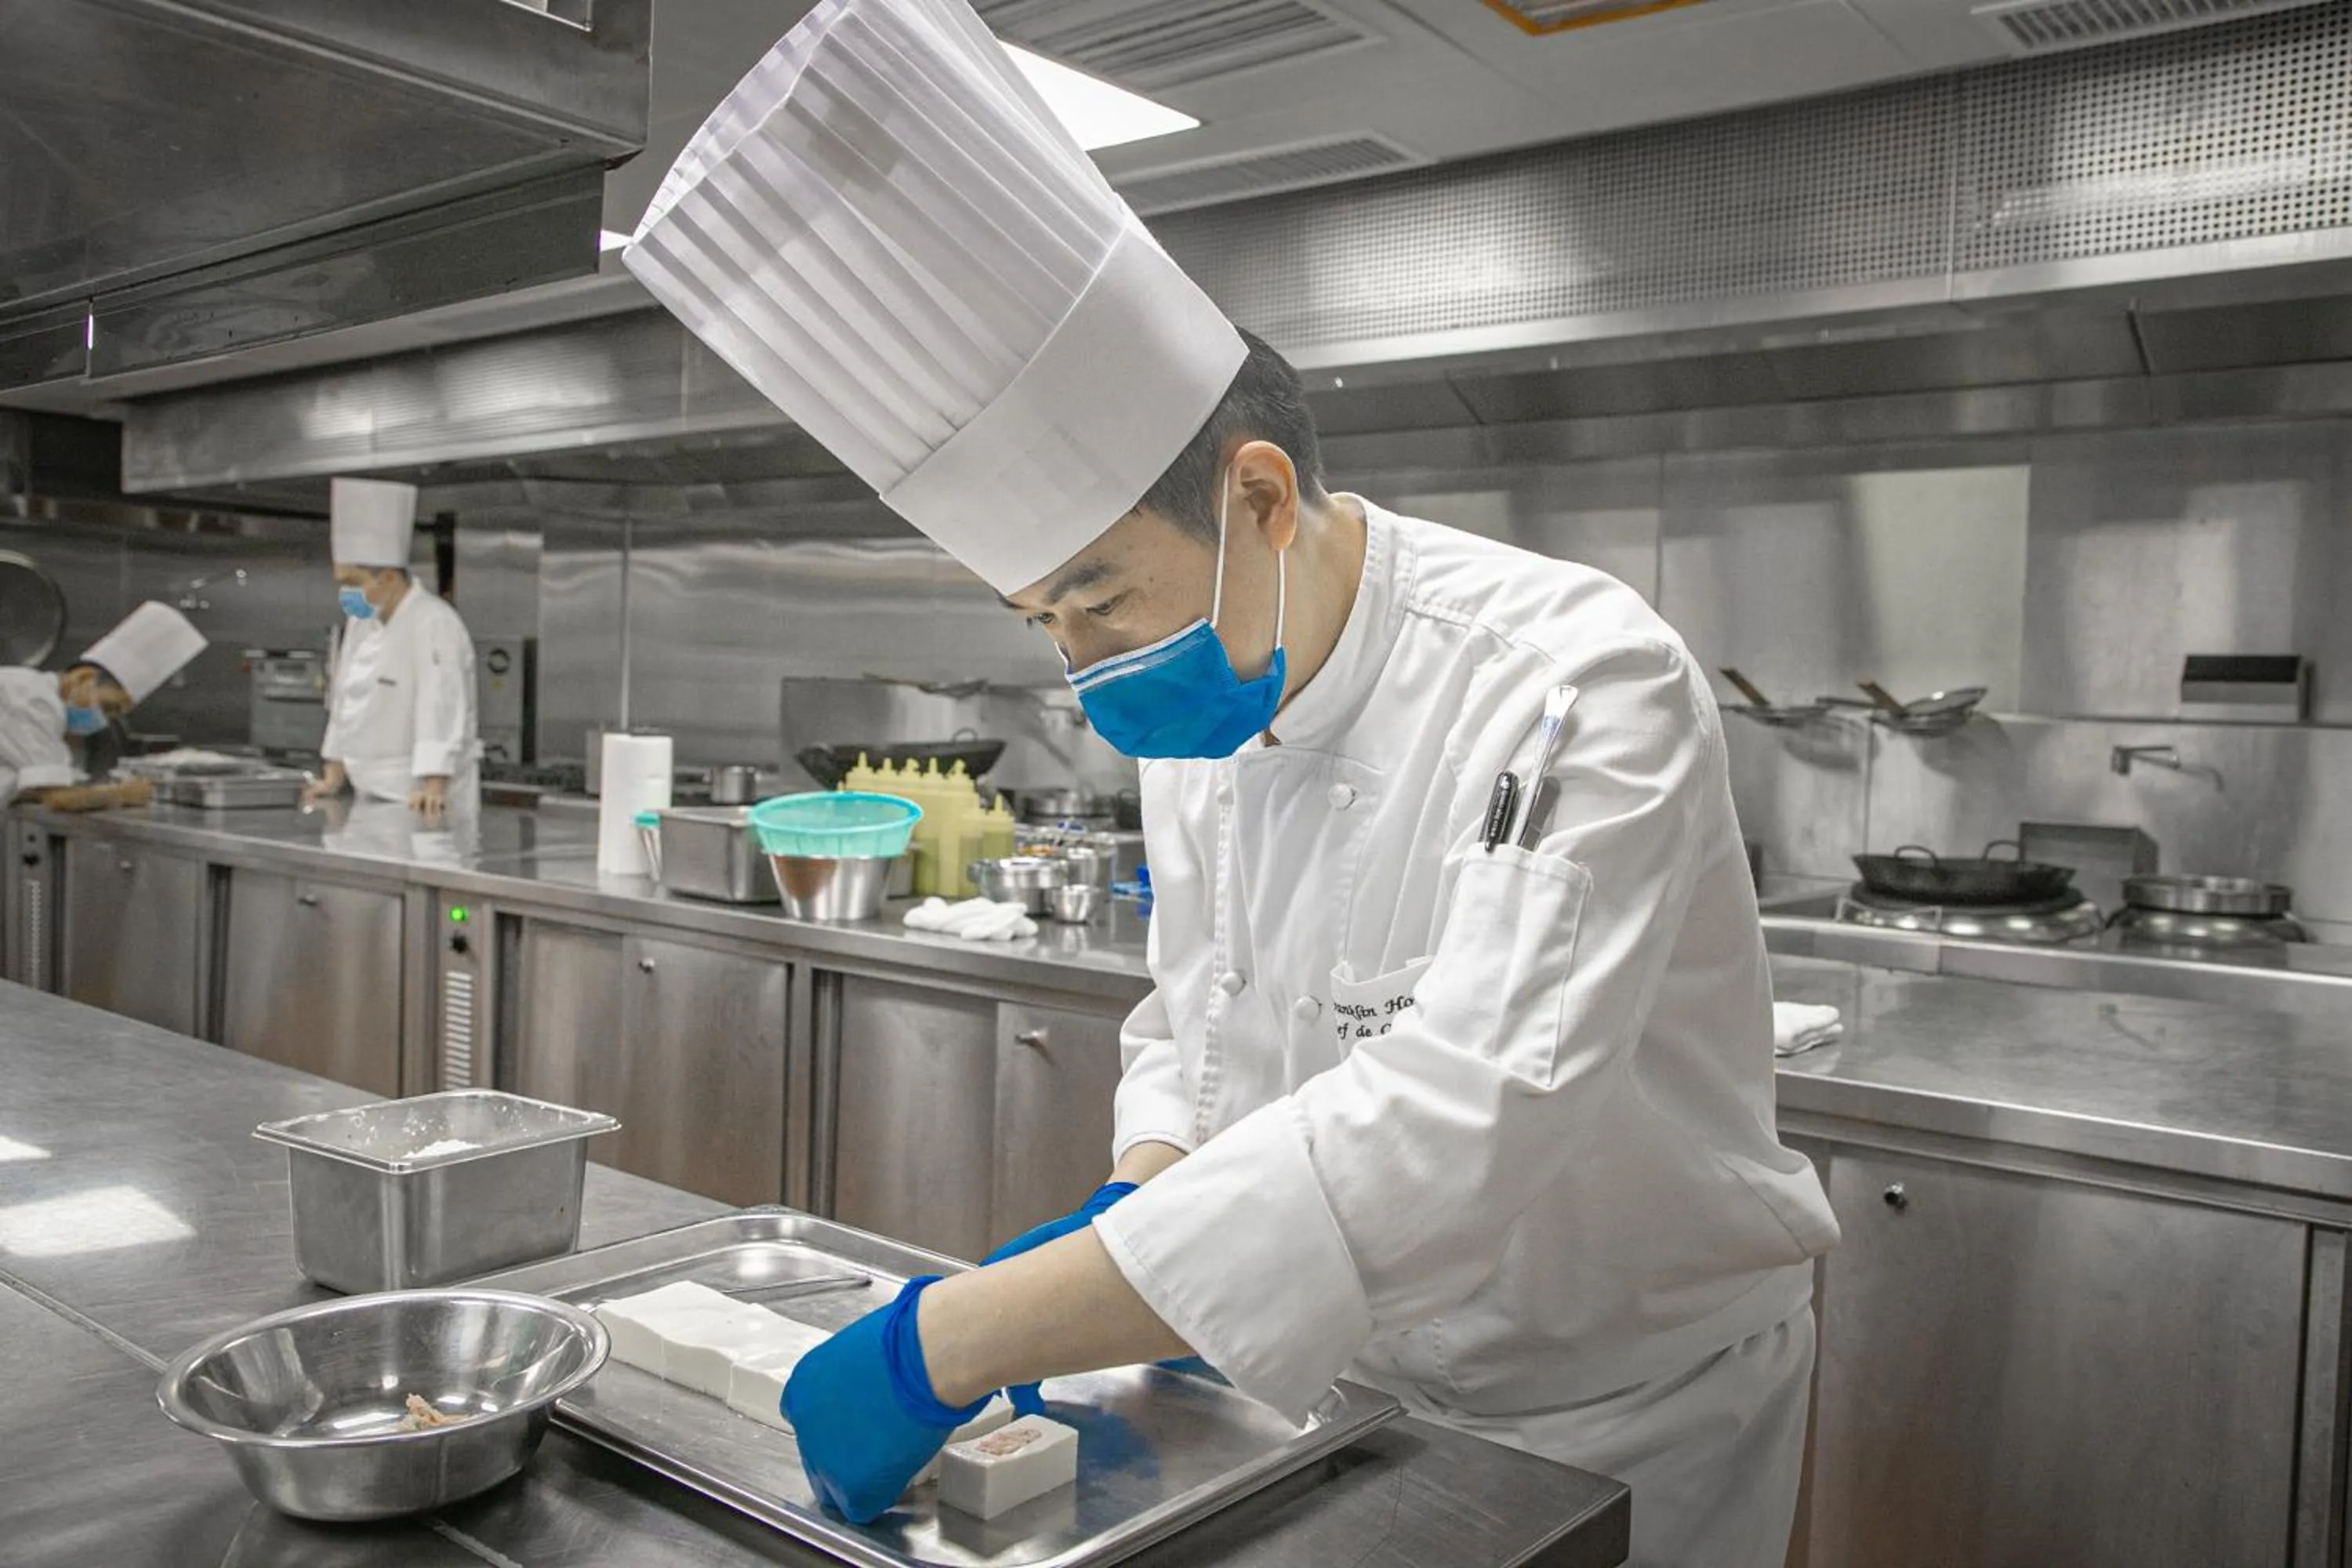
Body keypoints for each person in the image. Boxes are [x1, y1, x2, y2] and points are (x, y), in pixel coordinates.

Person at [625, 2, 1839, 1562]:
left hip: (1618, 1418)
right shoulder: (1213, 698)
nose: (1084, 668)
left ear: (1258, 495)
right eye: (1044, 622)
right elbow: (1197, 1025)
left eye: (1097, 599)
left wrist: (959, 1335)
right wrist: (1140, 1220)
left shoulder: (1573, 677)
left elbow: (1454, 1128)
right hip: (1330, 1390)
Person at [303, 477, 478, 823]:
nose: (345, 594)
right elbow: (343, 700)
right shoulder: (361, 621)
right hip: (367, 794)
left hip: (419, 798)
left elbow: (440, 704)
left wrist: (434, 784)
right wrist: (334, 773)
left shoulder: (433, 622)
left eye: (353, 583)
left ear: (388, 579)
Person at [0, 601, 205, 801]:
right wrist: (123, 794)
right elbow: (57, 798)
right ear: (83, 678)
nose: (103, 720)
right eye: (107, 708)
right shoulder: (33, 699)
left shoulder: (34, 695)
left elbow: (31, 787)